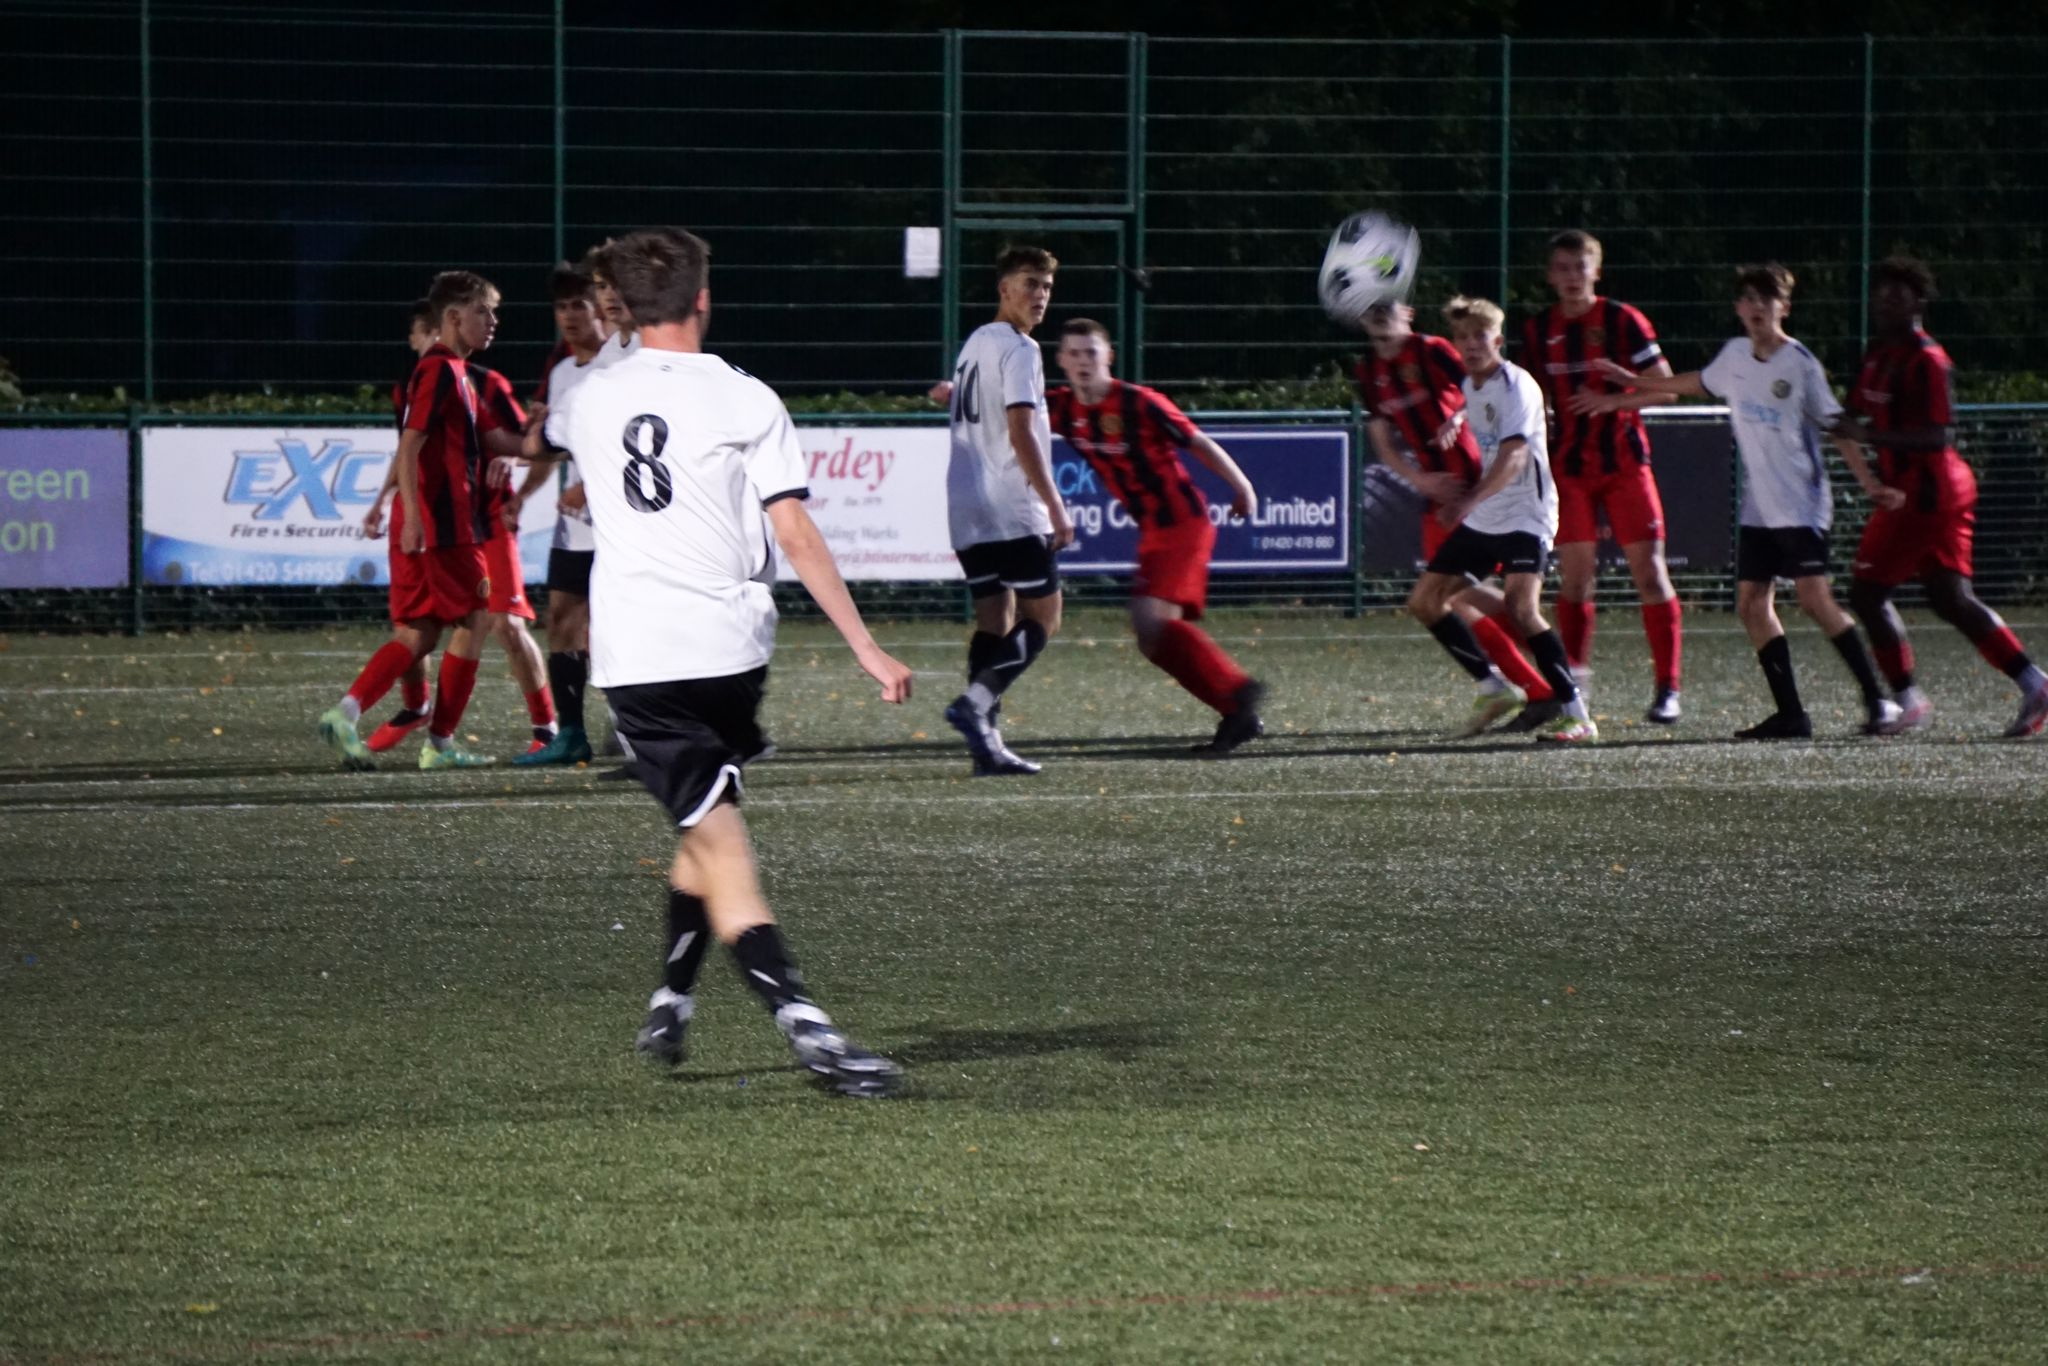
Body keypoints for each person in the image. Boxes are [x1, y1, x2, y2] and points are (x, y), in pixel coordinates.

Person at [527, 226, 915, 1097]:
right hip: (730, 649)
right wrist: (865, 645)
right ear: (705, 299)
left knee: (709, 830)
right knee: (718, 834)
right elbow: (796, 531)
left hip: (637, 655)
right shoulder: (747, 398)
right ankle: (809, 1030)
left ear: (620, 304)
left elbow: (552, 437)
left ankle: (673, 993)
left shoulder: (589, 398)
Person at [1574, 263, 1899, 738]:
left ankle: (1878, 701)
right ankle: (1792, 714)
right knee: (1750, 604)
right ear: (1738, 308)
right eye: (1748, 300)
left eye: (1766, 301)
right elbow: (1694, 383)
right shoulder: (1734, 356)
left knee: (1814, 598)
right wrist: (1632, 383)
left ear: (1783, 308)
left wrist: (1869, 482)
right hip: (1759, 509)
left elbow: (1836, 426)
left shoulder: (1800, 363)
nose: (1756, 309)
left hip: (1802, 504)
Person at [319, 270, 528, 770]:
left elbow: (498, 441)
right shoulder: (439, 371)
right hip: (445, 524)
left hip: (434, 522)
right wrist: (413, 517)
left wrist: (556, 442)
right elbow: (410, 445)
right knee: (476, 619)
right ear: (453, 317)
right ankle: (440, 743)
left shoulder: (454, 372)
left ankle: (345, 715)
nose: (493, 321)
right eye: (484, 311)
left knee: (418, 634)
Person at [1839, 256, 2048, 737]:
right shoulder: (1877, 356)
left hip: (1928, 489)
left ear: (1920, 302)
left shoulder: (1928, 360)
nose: (1887, 302)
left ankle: (1907, 700)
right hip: (1923, 489)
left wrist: (1869, 439)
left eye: (1899, 295)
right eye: (1882, 294)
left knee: (1867, 593)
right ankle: (2035, 683)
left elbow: (1937, 434)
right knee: (1950, 597)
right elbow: (1847, 414)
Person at [1048, 319, 1265, 752]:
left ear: (1108, 357)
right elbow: (1005, 408)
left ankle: (1238, 690)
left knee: (1151, 622)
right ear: (1060, 361)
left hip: (1183, 522)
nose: (1082, 361)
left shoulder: (1140, 402)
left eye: (1091, 352)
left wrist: (1242, 486)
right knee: (1151, 638)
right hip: (1153, 529)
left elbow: (1197, 442)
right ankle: (1235, 712)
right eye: (1073, 353)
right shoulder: (1058, 407)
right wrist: (957, 394)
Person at [1356, 301, 1558, 735]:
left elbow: (1485, 390)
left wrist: (1458, 419)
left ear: (1408, 313)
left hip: (1480, 486)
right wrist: (1419, 480)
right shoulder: (1368, 372)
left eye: (1385, 308)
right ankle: (1538, 683)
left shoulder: (1433, 352)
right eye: (1369, 310)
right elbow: (1384, 443)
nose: (1378, 317)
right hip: (1444, 495)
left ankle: (1537, 684)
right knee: (1454, 598)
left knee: (1456, 599)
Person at [1406, 297, 1596, 743]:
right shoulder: (1473, 386)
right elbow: (1479, 408)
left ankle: (1578, 713)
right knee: (1425, 601)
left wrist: (1468, 501)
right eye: (1463, 337)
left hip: (1526, 515)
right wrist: (1455, 418)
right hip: (1488, 516)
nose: (1472, 345)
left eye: (1479, 336)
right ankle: (1494, 688)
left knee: (1521, 607)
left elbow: (1514, 456)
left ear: (1497, 339)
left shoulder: (1518, 385)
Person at [1521, 229, 1684, 723]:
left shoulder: (1621, 320)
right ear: (1551, 276)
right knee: (1575, 581)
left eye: (1581, 267)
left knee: (1651, 575)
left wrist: (1614, 399)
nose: (1572, 277)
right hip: (1567, 469)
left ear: (1597, 270)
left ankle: (1668, 689)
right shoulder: (1537, 330)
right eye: (1563, 268)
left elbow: (1667, 388)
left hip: (1623, 465)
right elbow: (1531, 394)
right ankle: (1575, 685)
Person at [935, 246, 1074, 776]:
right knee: (1046, 617)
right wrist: (1056, 506)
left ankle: (985, 743)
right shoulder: (1021, 349)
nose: (1039, 295)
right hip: (1011, 505)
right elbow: (1020, 429)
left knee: (996, 617)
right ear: (1004, 289)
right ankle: (975, 704)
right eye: (1030, 283)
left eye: (1046, 287)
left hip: (964, 503)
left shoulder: (974, 343)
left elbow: (971, 405)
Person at [513, 260, 612, 766]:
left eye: (580, 303)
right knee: (562, 617)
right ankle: (571, 733)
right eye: (562, 306)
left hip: (622, 517)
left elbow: (629, 443)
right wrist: (520, 496)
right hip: (576, 522)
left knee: (619, 623)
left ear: (601, 308)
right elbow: (552, 445)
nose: (571, 315)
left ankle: (633, 723)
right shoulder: (561, 373)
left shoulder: (622, 363)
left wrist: (593, 488)